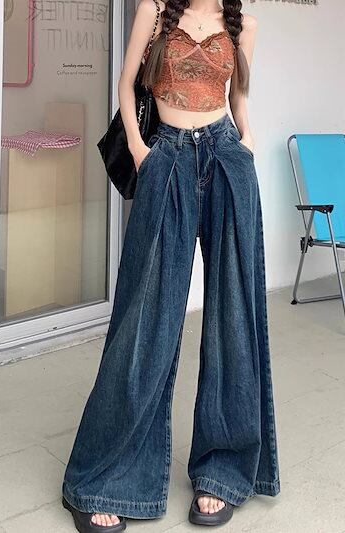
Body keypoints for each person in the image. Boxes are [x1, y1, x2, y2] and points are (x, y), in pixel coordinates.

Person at [62, 0, 280, 531]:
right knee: (145, 318)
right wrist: (141, 150)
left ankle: (223, 471)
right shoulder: (155, 12)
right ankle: (106, 479)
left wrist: (248, 136)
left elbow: (237, 93)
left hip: (226, 157)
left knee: (234, 316)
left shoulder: (243, 26)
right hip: (167, 157)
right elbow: (126, 84)